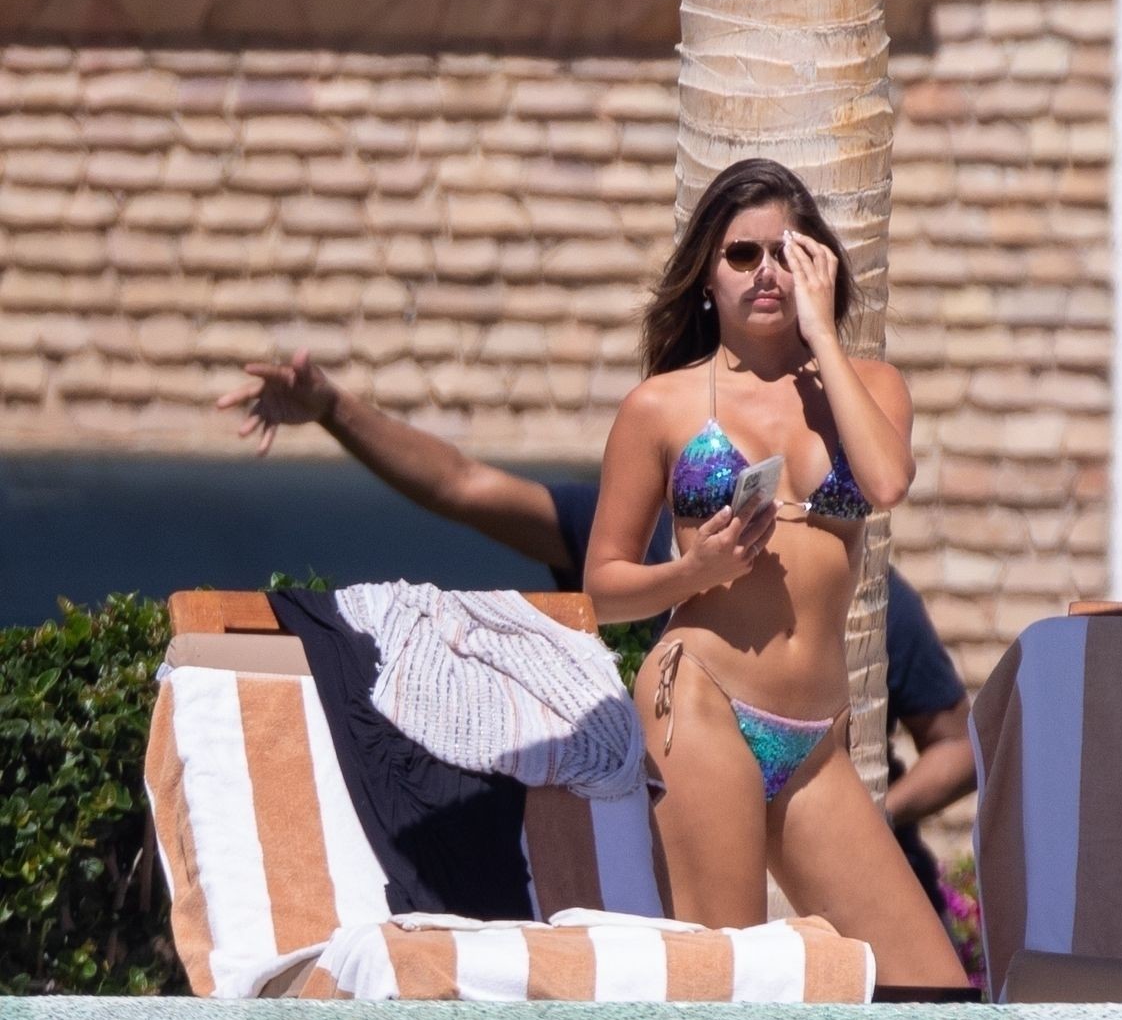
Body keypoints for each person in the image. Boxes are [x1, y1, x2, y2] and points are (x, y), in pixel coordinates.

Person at [214, 349, 976, 912]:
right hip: (693, 738)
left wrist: (882, 813)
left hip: (817, 764)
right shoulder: (627, 523)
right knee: (727, 985)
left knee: (922, 990)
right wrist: (334, 408)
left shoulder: (874, 598)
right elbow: (463, 485)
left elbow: (953, 738)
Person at [587, 158, 966, 984]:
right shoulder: (661, 406)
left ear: (817, 264)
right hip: (703, 700)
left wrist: (823, 334)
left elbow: (886, 482)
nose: (765, 272)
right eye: (741, 254)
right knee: (723, 985)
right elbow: (603, 587)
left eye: (785, 253)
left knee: (929, 991)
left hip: (815, 741)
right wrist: (695, 568)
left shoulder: (869, 387)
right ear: (706, 277)